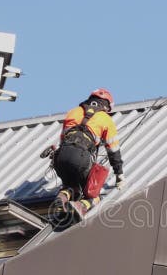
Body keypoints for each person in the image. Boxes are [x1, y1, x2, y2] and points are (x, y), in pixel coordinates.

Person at [50, 88, 124, 218]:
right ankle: (81, 206)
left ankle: (61, 198)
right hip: (80, 158)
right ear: (107, 107)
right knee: (94, 194)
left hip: (61, 157)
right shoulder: (105, 119)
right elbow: (113, 151)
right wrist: (119, 174)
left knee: (71, 185)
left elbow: (63, 139)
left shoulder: (73, 112)